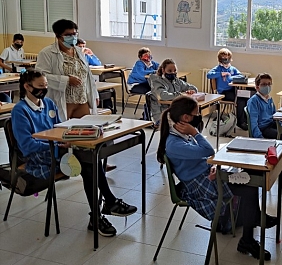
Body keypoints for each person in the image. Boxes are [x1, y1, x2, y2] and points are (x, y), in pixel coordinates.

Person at [11, 70, 137, 237]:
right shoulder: (20, 111)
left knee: (91, 158)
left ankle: (101, 212)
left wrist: (70, 138)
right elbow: (27, 146)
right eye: (40, 86)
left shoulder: (48, 103)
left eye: (46, 86)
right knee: (89, 163)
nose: (43, 89)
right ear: (27, 87)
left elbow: (59, 129)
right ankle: (105, 207)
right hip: (38, 156)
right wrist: (57, 145)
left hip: (56, 150)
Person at [156, 95, 276, 261]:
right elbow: (207, 151)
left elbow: (200, 159)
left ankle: (253, 219)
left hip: (205, 175)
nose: (199, 117)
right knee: (249, 187)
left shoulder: (181, 135)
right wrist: (196, 133)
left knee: (250, 177)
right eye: (196, 114)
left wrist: (212, 166)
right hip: (198, 185)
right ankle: (248, 235)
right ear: (185, 118)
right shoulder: (175, 143)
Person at [36, 19, 99, 122]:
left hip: (81, 99)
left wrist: (94, 94)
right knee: (61, 131)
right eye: (68, 35)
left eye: (74, 34)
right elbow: (41, 77)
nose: (73, 37)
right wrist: (66, 80)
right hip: (62, 99)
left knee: (85, 130)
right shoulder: (47, 53)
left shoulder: (79, 51)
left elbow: (88, 75)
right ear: (58, 36)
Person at [246, 73, 282, 175]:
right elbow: (253, 124)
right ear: (257, 87)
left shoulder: (269, 99)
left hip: (272, 124)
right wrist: (260, 138)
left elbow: (275, 116)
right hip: (263, 128)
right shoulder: (253, 101)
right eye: (264, 84)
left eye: (269, 84)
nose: (267, 87)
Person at [206, 48, 248, 130]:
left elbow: (241, 76)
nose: (226, 60)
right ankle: (240, 122)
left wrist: (231, 77)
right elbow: (209, 75)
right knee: (240, 100)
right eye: (223, 58)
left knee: (247, 97)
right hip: (223, 93)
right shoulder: (218, 68)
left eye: (227, 58)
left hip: (232, 90)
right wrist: (221, 74)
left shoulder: (232, 69)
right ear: (220, 59)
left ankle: (245, 120)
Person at [148, 58, 198, 124]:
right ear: (163, 70)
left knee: (196, 119)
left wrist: (191, 91)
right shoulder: (156, 82)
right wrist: (180, 95)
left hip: (175, 112)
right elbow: (163, 96)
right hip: (162, 114)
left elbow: (194, 88)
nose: (173, 73)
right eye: (170, 71)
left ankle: (191, 134)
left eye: (174, 71)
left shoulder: (176, 81)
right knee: (189, 120)